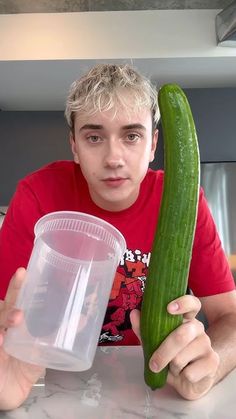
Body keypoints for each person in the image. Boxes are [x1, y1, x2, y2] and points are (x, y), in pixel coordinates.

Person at [0, 64, 236, 410]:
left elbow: (229, 315)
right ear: (75, 145)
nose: (113, 158)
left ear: (153, 143)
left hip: (153, 389)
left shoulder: (185, 200)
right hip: (54, 385)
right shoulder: (39, 194)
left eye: (131, 136)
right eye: (94, 137)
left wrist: (207, 366)